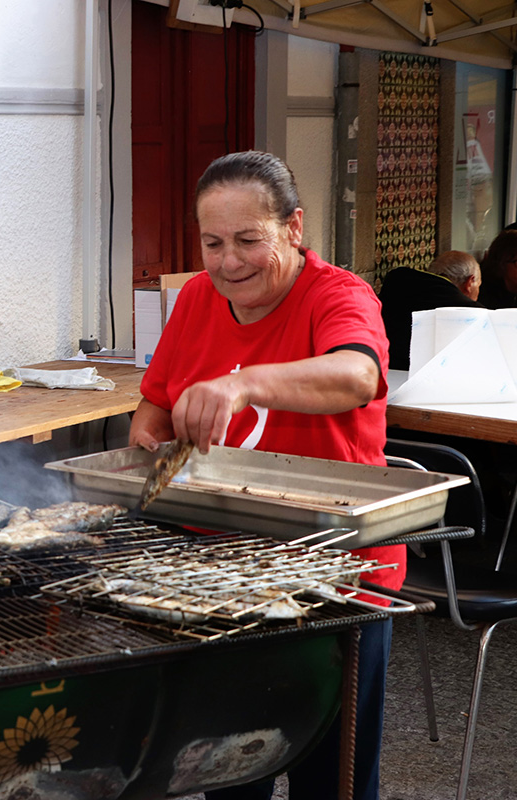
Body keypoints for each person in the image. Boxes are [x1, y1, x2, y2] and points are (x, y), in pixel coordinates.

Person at [128, 150, 402, 800]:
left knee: (329, 778)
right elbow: (155, 408)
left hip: (334, 570)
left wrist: (244, 383)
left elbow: (358, 373)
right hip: (221, 568)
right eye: (213, 243)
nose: (228, 263)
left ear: (294, 228)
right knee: (229, 772)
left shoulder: (338, 296)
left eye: (250, 240)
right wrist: (148, 442)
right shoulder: (197, 297)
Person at [379, 250, 482, 369]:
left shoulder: (396, 280)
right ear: (470, 282)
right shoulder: (472, 312)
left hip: (382, 369)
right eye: (478, 286)